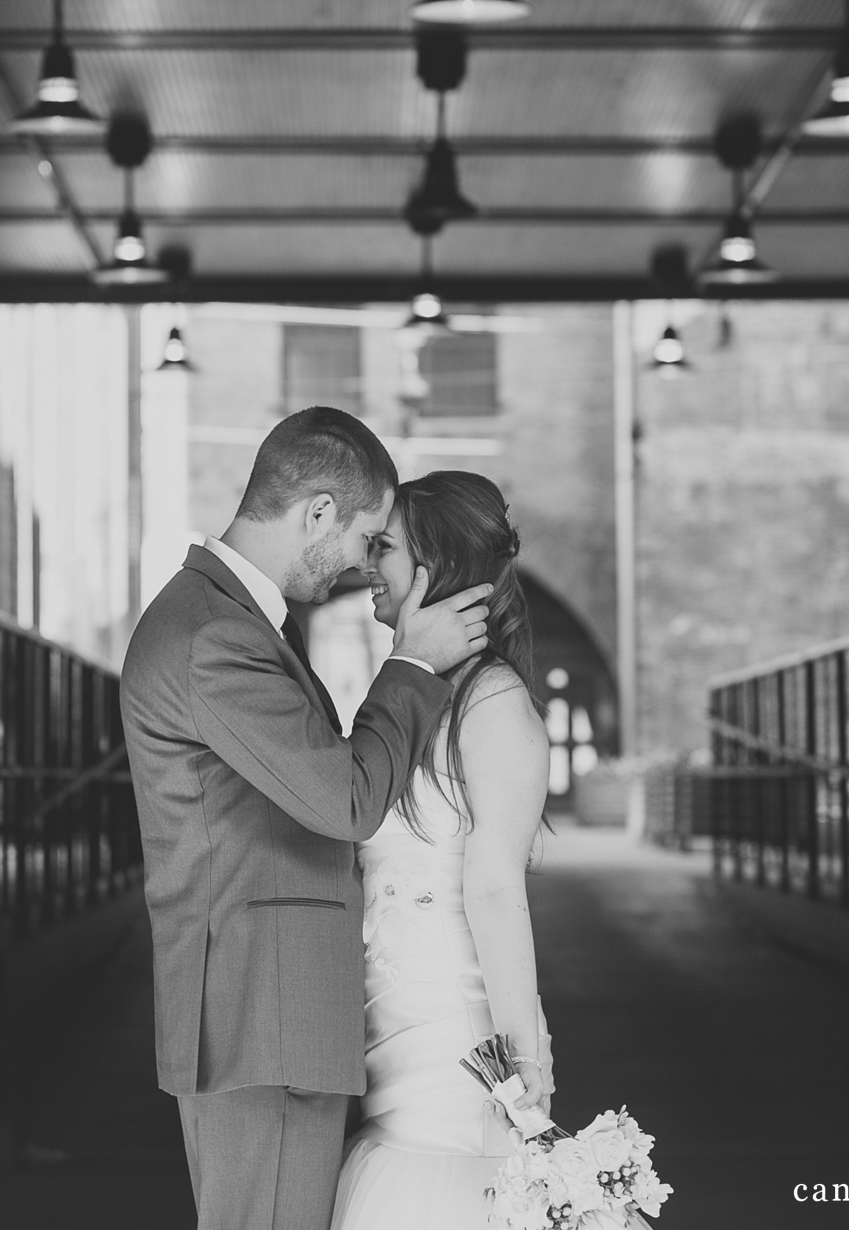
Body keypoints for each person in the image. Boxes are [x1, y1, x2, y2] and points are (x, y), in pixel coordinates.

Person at [119, 410, 494, 1231]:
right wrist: (414, 664)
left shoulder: (241, 621)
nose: (363, 567)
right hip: (263, 1014)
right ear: (318, 511)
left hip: (274, 1011)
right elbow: (344, 800)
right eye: (365, 538)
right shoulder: (214, 633)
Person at [333, 473, 551, 1233]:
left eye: (384, 547)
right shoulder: (415, 693)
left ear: (435, 562)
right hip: (391, 1026)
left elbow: (494, 892)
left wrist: (525, 1073)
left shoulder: (494, 704)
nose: (367, 563)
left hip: (459, 1047)